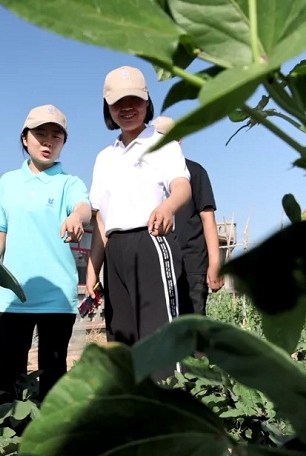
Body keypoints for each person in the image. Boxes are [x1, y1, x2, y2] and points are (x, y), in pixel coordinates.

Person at [0, 104, 91, 399]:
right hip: (15, 296)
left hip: (57, 298)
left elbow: (83, 207)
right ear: (25, 138)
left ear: (64, 143)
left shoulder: (69, 183)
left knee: (53, 377)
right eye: (40, 134)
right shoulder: (8, 183)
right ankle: (7, 439)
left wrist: (77, 217)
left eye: (56, 135)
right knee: (8, 377)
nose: (48, 141)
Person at [85, 66, 191, 352]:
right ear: (108, 107)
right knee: (122, 338)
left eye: (134, 99)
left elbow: (182, 186)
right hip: (115, 251)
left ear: (147, 101)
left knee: (158, 333)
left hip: (151, 242)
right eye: (118, 102)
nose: (127, 108)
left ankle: (169, 393)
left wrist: (168, 207)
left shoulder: (164, 144)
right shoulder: (104, 157)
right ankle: (130, 395)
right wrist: (94, 269)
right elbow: (101, 220)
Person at [151, 116, 224, 316]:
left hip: (191, 265)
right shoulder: (146, 175)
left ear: (180, 139)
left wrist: (215, 263)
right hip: (157, 263)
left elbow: (208, 218)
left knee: (193, 329)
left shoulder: (196, 172)